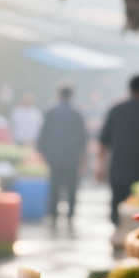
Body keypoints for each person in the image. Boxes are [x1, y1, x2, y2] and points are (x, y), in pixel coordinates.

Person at [99, 75, 139, 226]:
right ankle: (130, 236)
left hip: (118, 168)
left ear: (129, 88)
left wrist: (100, 166)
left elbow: (103, 142)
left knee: (117, 202)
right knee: (136, 205)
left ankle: (117, 231)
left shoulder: (116, 110)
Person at [37, 84, 88, 222]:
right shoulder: (77, 113)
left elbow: (43, 135)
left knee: (54, 185)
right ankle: (70, 213)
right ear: (71, 96)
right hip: (72, 156)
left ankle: (53, 213)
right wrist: (83, 157)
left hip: (54, 156)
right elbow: (83, 138)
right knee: (72, 186)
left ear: (58, 95)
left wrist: (42, 153)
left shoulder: (51, 112)